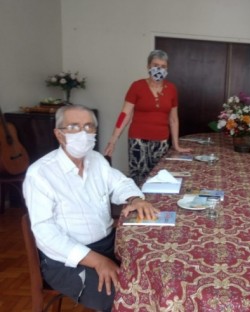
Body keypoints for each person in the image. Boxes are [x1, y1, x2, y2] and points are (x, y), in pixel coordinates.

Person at [23, 105, 159, 311]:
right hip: (67, 261)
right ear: (59, 134)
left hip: (108, 244)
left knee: (155, 271)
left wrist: (134, 199)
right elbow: (45, 234)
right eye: (74, 127)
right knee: (123, 297)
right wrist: (96, 261)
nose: (83, 133)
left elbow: (120, 183)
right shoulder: (40, 174)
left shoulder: (96, 160)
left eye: (88, 127)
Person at [104, 49, 191, 185]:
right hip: (138, 141)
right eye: (156, 65)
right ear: (148, 66)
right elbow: (124, 115)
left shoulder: (172, 89)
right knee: (138, 178)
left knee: (158, 178)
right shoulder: (137, 86)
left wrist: (176, 144)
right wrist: (113, 139)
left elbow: (173, 119)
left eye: (163, 66)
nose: (159, 69)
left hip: (161, 141)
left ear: (167, 68)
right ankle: (137, 204)